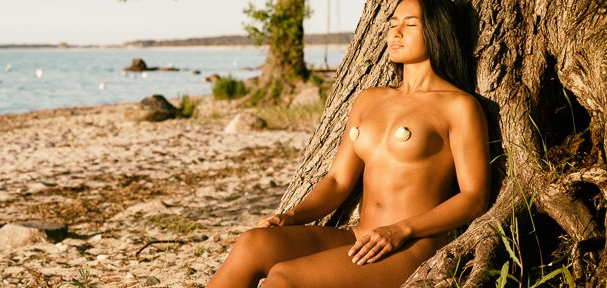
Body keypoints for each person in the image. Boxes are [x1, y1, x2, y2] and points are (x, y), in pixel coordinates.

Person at [206, 0, 489, 286]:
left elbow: (474, 197)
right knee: (252, 243)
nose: (396, 32)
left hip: (412, 245)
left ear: (437, 31)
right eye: (392, 24)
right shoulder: (369, 99)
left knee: (285, 277)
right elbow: (338, 180)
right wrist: (292, 216)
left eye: (411, 24)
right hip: (360, 237)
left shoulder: (458, 106)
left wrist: (402, 229)